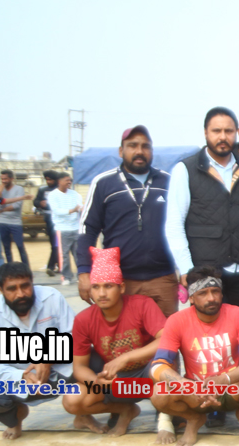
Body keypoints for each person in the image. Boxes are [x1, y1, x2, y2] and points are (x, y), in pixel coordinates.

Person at [165, 107, 239, 341]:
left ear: (236, 133)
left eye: (228, 131)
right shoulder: (186, 170)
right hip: (206, 273)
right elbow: (174, 225)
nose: (222, 137)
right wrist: (186, 269)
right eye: (216, 131)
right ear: (206, 133)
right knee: (210, 340)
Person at [150, 265, 239, 446]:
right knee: (159, 393)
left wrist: (224, 379)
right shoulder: (177, 321)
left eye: (215, 291)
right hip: (195, 392)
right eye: (203, 293)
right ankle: (193, 419)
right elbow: (158, 366)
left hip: (231, 387)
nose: (211, 298)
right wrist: (186, 385)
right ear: (191, 298)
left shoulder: (238, 314)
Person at [62, 247, 165, 438]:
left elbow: (166, 339)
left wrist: (125, 358)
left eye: (108, 286)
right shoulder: (83, 320)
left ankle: (167, 419)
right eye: (96, 287)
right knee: (72, 400)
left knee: (166, 364)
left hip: (147, 377)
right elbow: (79, 367)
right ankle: (126, 410)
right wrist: (97, 382)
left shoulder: (142, 305)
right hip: (113, 382)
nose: (101, 293)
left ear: (122, 287)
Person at [76, 126, 176, 317]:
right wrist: (84, 271)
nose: (139, 151)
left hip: (163, 278)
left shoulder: (167, 182)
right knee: (125, 335)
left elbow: (182, 225)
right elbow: (87, 229)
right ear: (121, 151)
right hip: (120, 281)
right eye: (132, 145)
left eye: (145, 146)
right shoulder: (103, 183)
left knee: (166, 334)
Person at [0, 263, 76, 440]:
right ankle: (14, 418)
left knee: (94, 360)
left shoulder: (52, 297)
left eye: (25, 286)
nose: (20, 294)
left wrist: (49, 357)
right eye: (12, 289)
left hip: (59, 373)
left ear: (32, 282)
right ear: (1, 290)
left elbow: (75, 336)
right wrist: (20, 376)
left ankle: (83, 414)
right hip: (19, 382)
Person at [46, 172, 83, 286]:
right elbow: (56, 211)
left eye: (70, 180)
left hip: (75, 228)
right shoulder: (53, 195)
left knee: (78, 254)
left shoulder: (74, 194)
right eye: (67, 180)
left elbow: (80, 206)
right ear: (59, 181)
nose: (69, 182)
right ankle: (66, 277)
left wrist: (81, 208)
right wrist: (72, 210)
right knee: (64, 255)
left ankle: (81, 276)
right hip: (62, 229)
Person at [0, 170, 32, 268]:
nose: (3, 181)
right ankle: (10, 269)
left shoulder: (19, 189)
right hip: (2, 222)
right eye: (2, 179)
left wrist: (2, 210)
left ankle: (26, 268)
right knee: (6, 247)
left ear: (11, 179)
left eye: (5, 179)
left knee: (20, 246)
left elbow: (16, 205)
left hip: (15, 222)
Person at [33, 170, 60, 277]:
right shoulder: (42, 189)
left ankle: (51, 266)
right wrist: (40, 203)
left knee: (56, 244)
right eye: (47, 180)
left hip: (59, 219)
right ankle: (57, 265)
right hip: (48, 219)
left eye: (50, 180)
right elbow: (35, 201)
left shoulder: (59, 189)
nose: (48, 182)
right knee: (54, 244)